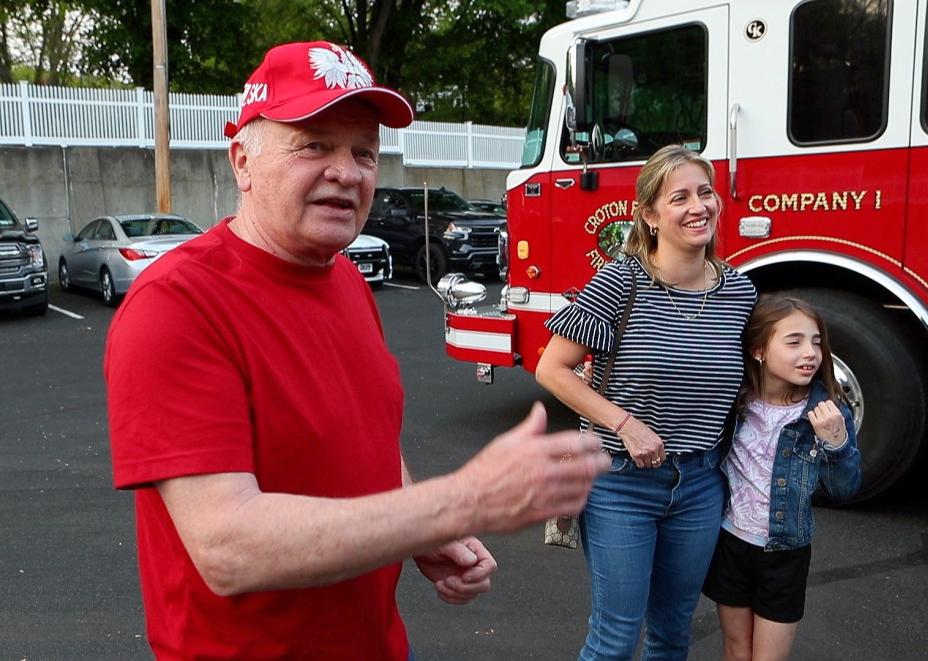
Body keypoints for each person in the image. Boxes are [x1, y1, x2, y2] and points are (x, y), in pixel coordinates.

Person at [105, 40, 610, 660]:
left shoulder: (342, 277)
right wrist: (455, 503)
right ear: (243, 161)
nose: (347, 171)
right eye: (314, 145)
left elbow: (362, 433)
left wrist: (417, 525)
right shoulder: (176, 305)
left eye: (364, 152)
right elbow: (228, 548)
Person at [536, 144, 757, 660]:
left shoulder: (740, 294)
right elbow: (552, 367)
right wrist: (625, 424)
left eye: (705, 193)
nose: (697, 206)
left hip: (702, 484)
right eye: (678, 197)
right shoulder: (622, 281)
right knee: (614, 640)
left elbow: (747, 384)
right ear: (651, 216)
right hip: (620, 482)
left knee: (672, 633)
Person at [702, 294, 862, 661]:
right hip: (730, 542)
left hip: (785, 552)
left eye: (816, 342)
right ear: (758, 350)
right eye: (794, 342)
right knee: (737, 650)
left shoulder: (826, 412)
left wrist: (836, 444)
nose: (810, 353)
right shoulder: (735, 400)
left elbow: (845, 489)